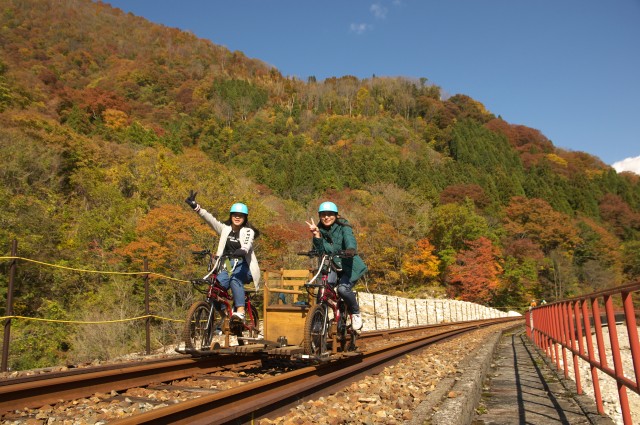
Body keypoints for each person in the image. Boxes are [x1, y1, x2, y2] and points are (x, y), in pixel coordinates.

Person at [185, 190, 260, 321]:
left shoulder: (248, 231)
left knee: (235, 279)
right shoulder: (225, 229)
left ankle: (241, 312)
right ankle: (225, 317)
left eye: (241, 216)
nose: (237, 217)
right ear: (231, 216)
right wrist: (196, 207)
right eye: (235, 215)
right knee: (215, 288)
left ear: (245, 218)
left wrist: (242, 250)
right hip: (228, 265)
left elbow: (247, 244)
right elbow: (210, 220)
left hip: (245, 266)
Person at [305, 201, 367, 330]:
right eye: (323, 215)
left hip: (348, 266)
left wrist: (350, 249)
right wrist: (316, 235)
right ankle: (319, 319)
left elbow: (349, 239)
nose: (326, 217)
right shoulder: (319, 229)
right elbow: (320, 251)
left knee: (343, 290)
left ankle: (355, 313)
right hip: (331, 265)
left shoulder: (344, 226)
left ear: (336, 215)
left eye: (330, 214)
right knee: (323, 290)